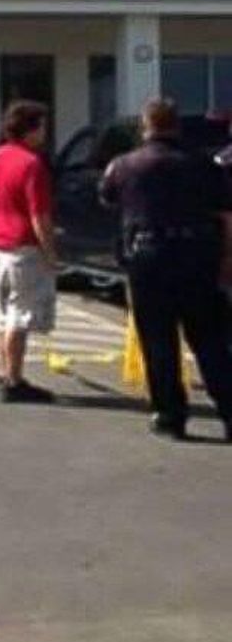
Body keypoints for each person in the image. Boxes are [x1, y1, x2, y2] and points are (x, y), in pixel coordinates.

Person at [99, 97, 232, 441]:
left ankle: (170, 414)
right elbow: (226, 216)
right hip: (197, 256)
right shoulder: (203, 165)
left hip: (148, 258)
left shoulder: (124, 165)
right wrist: (227, 260)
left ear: (146, 126)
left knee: (158, 341)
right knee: (210, 340)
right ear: (176, 125)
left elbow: (107, 197)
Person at [0, 100, 59, 403]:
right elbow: (39, 214)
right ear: (31, 129)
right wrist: (50, 251)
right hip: (23, 249)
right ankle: (14, 380)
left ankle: (4, 371)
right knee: (20, 317)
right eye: (41, 126)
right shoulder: (31, 164)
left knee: (2, 315)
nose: (44, 133)